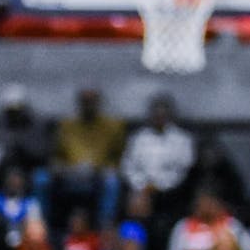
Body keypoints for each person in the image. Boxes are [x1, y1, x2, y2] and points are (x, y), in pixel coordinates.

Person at [51, 88, 125, 226]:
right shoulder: (67, 126)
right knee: (43, 179)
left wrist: (102, 168)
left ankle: (106, 227)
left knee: (112, 181)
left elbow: (118, 157)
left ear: (99, 103)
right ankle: (52, 228)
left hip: (99, 175)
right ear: (79, 103)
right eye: (85, 101)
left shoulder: (111, 127)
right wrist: (64, 169)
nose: (88, 105)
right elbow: (56, 157)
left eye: (92, 101)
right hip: (71, 174)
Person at [120, 94, 196, 210]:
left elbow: (183, 169)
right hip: (141, 189)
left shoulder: (182, 139)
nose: (159, 117)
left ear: (170, 115)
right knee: (134, 201)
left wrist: (160, 185)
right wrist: (141, 184)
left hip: (172, 191)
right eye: (156, 114)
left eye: (163, 114)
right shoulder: (138, 138)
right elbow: (128, 166)